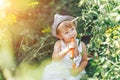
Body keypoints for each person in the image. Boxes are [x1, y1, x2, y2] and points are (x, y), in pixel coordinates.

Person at [42, 14, 88, 80]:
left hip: (74, 71)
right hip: (60, 70)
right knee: (51, 74)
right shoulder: (59, 44)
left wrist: (78, 70)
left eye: (72, 29)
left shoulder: (81, 44)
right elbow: (55, 58)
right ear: (60, 36)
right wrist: (67, 49)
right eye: (66, 33)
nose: (71, 33)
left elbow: (84, 60)